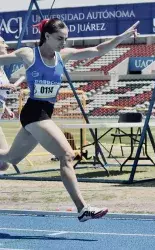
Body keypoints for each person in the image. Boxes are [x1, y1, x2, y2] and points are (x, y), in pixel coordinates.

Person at [0, 18, 139, 222]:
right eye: (59, 39)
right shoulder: (28, 54)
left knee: (9, 159)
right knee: (66, 154)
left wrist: (122, 37)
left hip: (46, 112)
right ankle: (82, 208)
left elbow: (98, 49)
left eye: (65, 39)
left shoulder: (63, 56)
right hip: (34, 112)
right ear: (46, 36)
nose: (63, 43)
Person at [0, 36, 25, 171]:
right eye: (3, 42)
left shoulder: (2, 67)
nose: (6, 45)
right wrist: (4, 86)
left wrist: (5, 108)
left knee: (4, 164)